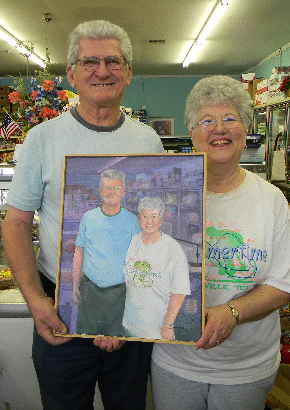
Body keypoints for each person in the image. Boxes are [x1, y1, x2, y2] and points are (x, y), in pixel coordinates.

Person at [2, 19, 164, 410]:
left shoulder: (148, 140)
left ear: (127, 72)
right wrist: (36, 302)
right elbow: (16, 224)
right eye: (89, 61)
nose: (102, 71)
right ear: (71, 73)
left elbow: (155, 226)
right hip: (61, 306)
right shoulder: (41, 138)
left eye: (113, 61)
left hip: (130, 303)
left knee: (127, 404)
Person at [151, 75, 290, 410]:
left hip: (246, 367)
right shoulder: (162, 198)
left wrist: (233, 312)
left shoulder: (272, 201)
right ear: (192, 133)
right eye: (206, 121)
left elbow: (283, 283)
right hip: (176, 360)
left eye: (230, 118)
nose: (219, 129)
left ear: (245, 129)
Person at [72, 169, 140, 336]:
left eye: (116, 188)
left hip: (122, 293)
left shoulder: (132, 220)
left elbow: (140, 257)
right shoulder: (88, 217)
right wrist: (74, 284)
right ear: (100, 191)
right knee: (88, 340)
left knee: (120, 342)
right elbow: (78, 252)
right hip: (90, 291)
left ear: (123, 192)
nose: (111, 193)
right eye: (107, 188)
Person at [123, 196, 190, 340]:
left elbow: (180, 290)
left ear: (161, 219)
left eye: (154, 216)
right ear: (139, 219)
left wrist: (167, 325)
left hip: (156, 330)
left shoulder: (172, 248)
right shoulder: (134, 240)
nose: (149, 221)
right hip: (129, 325)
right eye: (145, 216)